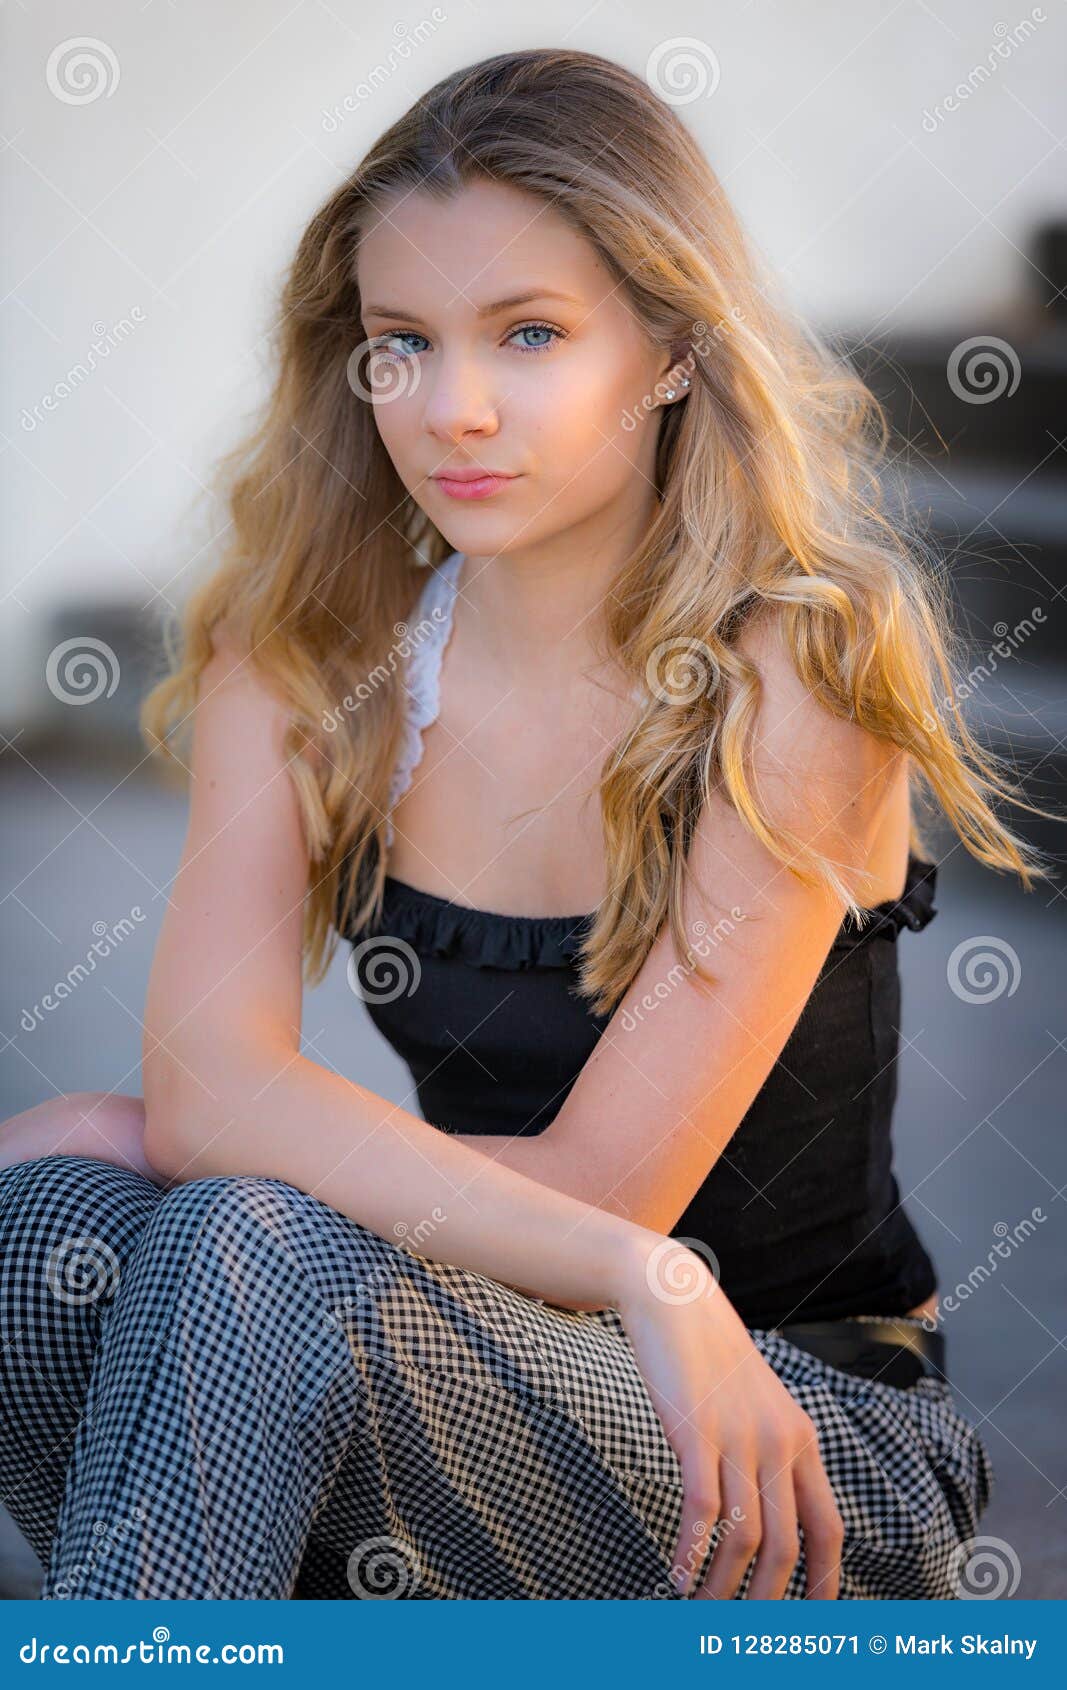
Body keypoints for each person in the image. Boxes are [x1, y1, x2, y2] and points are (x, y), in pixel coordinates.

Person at [0, 46, 1047, 1602]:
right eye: (401, 343)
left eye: (532, 334)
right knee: (41, 1234)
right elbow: (216, 1089)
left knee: (235, 1237)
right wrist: (184, 1126)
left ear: (676, 349)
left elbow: (605, 1192)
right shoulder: (299, 656)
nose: (454, 406)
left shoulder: (794, 668)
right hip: (451, 1355)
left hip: (782, 1439)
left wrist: (180, 1125)